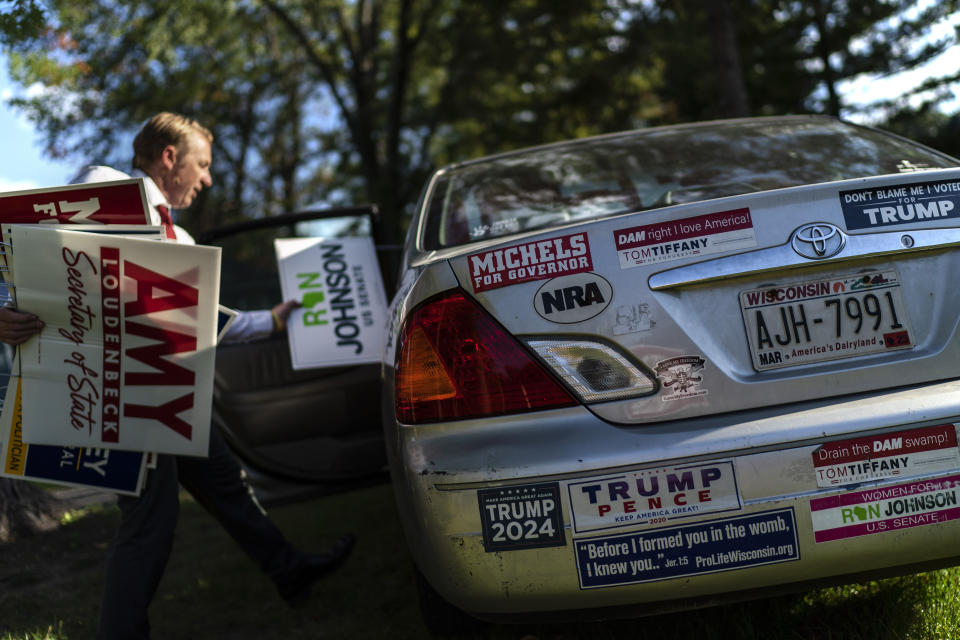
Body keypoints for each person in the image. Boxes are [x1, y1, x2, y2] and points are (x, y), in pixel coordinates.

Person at [0, 112, 354, 639]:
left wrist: (274, 320)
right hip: (114, 389)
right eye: (202, 164)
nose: (206, 178)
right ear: (170, 157)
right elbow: (24, 251)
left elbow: (205, 322)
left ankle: (289, 570)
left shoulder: (182, 239)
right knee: (151, 521)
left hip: (168, 391)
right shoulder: (103, 188)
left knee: (226, 481)